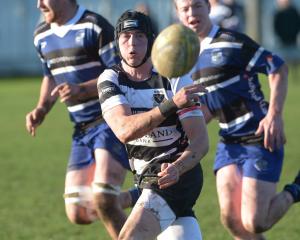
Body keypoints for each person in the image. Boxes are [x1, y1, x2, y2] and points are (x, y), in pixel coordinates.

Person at [174, 0, 300, 239]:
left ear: (209, 7)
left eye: (197, 6)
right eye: (185, 8)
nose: (192, 13)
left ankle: (296, 189)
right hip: (229, 141)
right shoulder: (184, 56)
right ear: (178, 13)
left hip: (259, 136)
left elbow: (278, 68)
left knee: (255, 222)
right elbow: (209, 107)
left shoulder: (232, 42)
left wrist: (275, 115)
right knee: (231, 220)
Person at [25, 1, 138, 239]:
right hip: (81, 129)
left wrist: (82, 90)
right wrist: (41, 109)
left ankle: (145, 206)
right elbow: (51, 76)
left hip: (109, 121)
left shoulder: (94, 27)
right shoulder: (41, 35)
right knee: (78, 211)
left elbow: (120, 72)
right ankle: (143, 197)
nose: (38, 4)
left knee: (104, 198)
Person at [97, 10, 209, 240]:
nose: (132, 44)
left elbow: (200, 142)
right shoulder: (110, 79)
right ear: (117, 42)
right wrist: (171, 105)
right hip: (146, 178)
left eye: (139, 36)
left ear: (151, 41)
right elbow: (124, 130)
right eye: (125, 37)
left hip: (180, 176)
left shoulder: (175, 77)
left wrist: (177, 168)